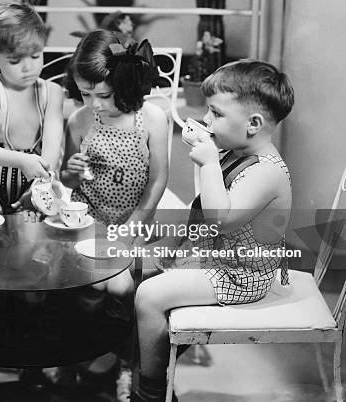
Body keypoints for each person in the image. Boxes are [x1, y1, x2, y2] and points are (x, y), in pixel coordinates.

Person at [131, 60, 294, 402]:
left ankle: (151, 389)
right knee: (134, 268)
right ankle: (141, 356)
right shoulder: (237, 152)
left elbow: (221, 218)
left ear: (253, 124)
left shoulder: (267, 171)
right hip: (216, 256)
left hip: (240, 274)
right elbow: (199, 212)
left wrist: (207, 163)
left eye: (216, 113)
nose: (206, 120)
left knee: (149, 296)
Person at [62, 29, 170, 295]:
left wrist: (132, 227)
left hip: (135, 220)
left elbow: (158, 179)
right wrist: (72, 172)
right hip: (90, 222)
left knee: (120, 286)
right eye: (85, 94)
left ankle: (121, 329)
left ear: (123, 84)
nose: (94, 104)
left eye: (104, 95)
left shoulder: (152, 118)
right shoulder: (79, 120)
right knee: (94, 282)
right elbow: (67, 178)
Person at [0, 2, 64, 214]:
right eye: (15, 60)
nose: (28, 67)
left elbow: (51, 148)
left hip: (35, 182)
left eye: (36, 56)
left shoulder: (52, 93)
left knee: (34, 234)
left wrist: (40, 186)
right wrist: (21, 160)